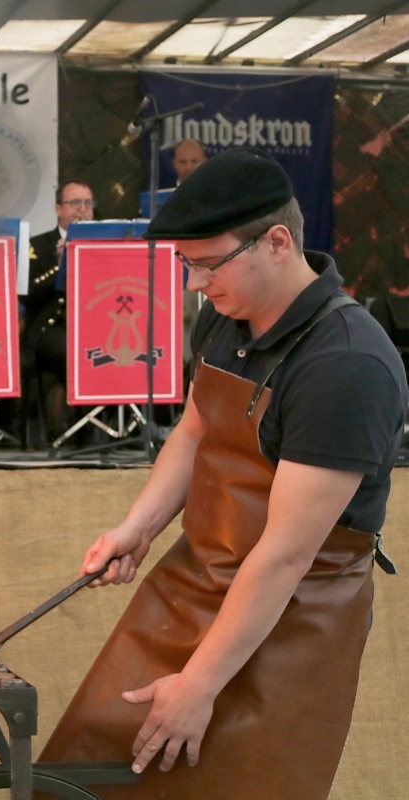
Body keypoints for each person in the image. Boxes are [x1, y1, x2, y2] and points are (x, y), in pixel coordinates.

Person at [39, 149, 407, 798]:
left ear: (276, 242)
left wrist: (199, 685)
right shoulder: (225, 314)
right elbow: (196, 429)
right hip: (195, 576)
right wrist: (138, 526)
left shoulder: (345, 365)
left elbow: (285, 556)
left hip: (290, 616)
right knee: (88, 761)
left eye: (206, 265)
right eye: (186, 266)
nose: (192, 285)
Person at [13, 180, 95, 440]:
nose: (82, 210)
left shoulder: (105, 243)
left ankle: (101, 427)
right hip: (50, 329)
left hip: (93, 326)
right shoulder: (37, 246)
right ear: (59, 209)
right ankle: (77, 431)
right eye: (75, 204)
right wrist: (60, 267)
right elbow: (26, 294)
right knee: (71, 351)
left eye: (87, 204)